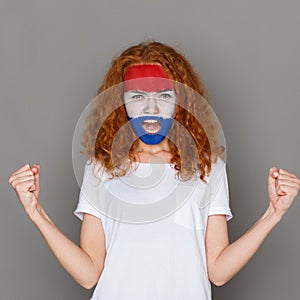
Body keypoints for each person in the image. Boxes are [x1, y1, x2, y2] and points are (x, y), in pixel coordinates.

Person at [8, 41, 300, 300]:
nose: (151, 108)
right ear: (121, 104)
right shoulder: (101, 168)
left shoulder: (207, 168)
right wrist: (36, 212)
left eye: (163, 95)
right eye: (136, 96)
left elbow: (218, 271)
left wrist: (273, 214)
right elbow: (88, 275)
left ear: (180, 102)